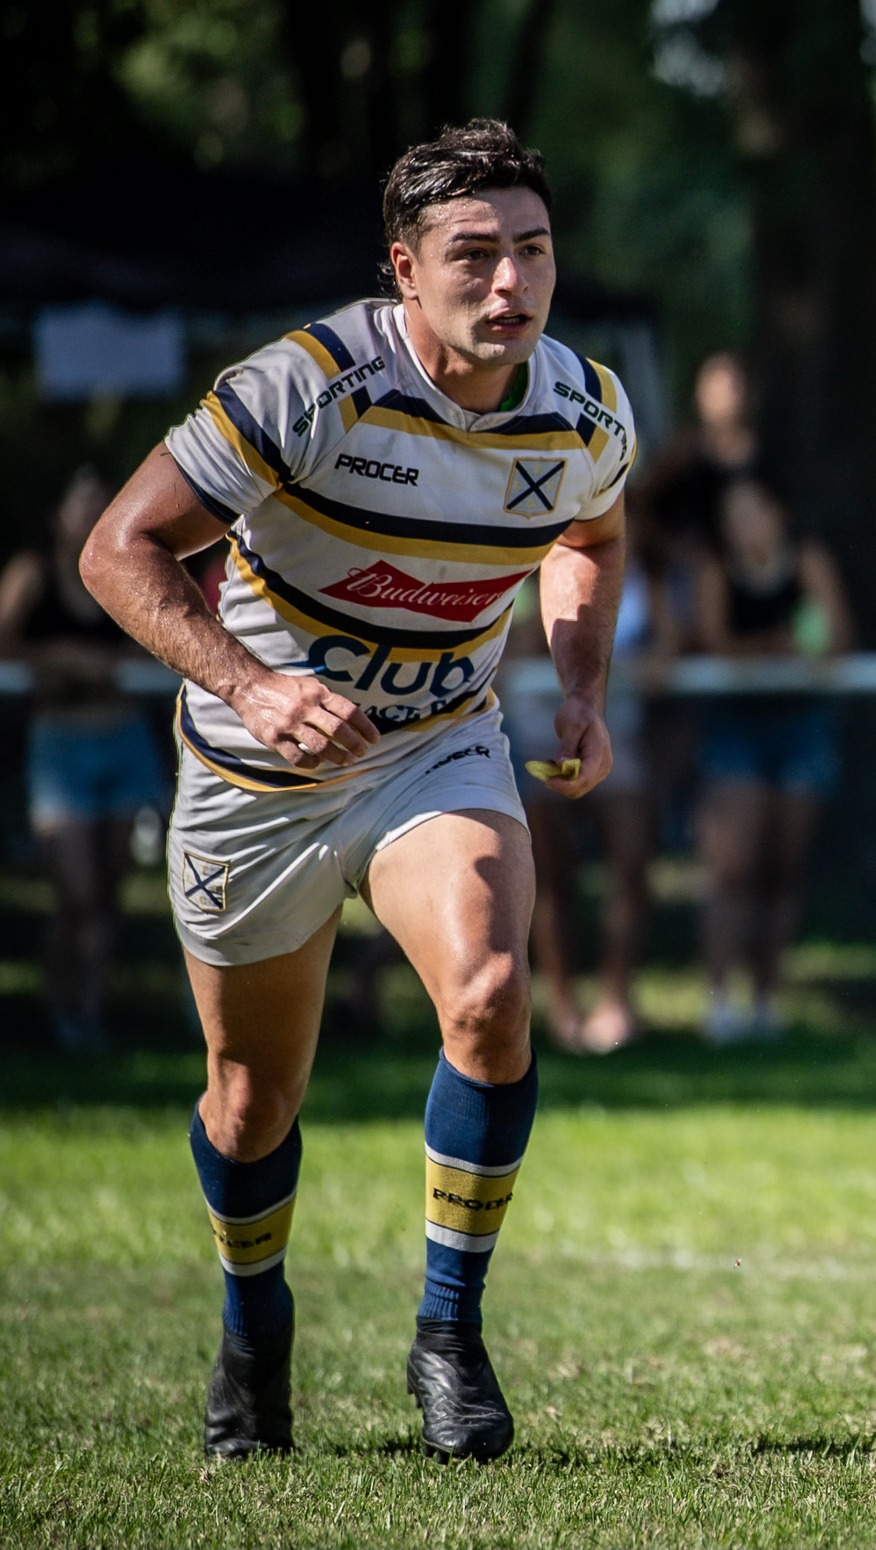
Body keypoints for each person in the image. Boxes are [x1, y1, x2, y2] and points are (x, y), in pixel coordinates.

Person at [79, 120, 634, 1463]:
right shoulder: (308, 385)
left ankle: (448, 1332)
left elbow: (593, 538)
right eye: (475, 256)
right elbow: (120, 549)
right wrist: (250, 684)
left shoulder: (586, 408)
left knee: (494, 996)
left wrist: (578, 682)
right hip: (255, 778)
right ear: (406, 267)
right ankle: (251, 1328)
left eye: (535, 253)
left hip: (435, 746)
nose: (512, 284)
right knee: (250, 1098)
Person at [0, 468, 168, 1052]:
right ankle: (57, 1008)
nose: (95, 510)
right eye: (85, 502)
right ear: (58, 516)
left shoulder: (132, 565)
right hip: (60, 749)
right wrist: (65, 656)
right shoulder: (33, 575)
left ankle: (87, 1018)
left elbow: (164, 633)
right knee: (75, 895)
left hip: (123, 741)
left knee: (107, 896)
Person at [694, 475, 851, 1043]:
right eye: (732, 517)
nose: (744, 527)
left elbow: (836, 641)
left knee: (783, 869)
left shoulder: (807, 559)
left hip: (801, 725)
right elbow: (715, 644)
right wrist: (777, 648)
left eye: (752, 513)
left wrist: (789, 649)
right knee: (732, 868)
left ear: (776, 512)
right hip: (736, 728)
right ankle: (718, 1004)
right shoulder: (717, 569)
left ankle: (766, 1002)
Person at [506, 503, 665, 1054]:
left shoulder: (647, 579)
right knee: (551, 879)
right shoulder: (526, 569)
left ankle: (617, 1002)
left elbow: (666, 655)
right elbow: (515, 648)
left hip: (620, 740)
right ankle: (562, 1008)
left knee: (630, 870)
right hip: (537, 737)